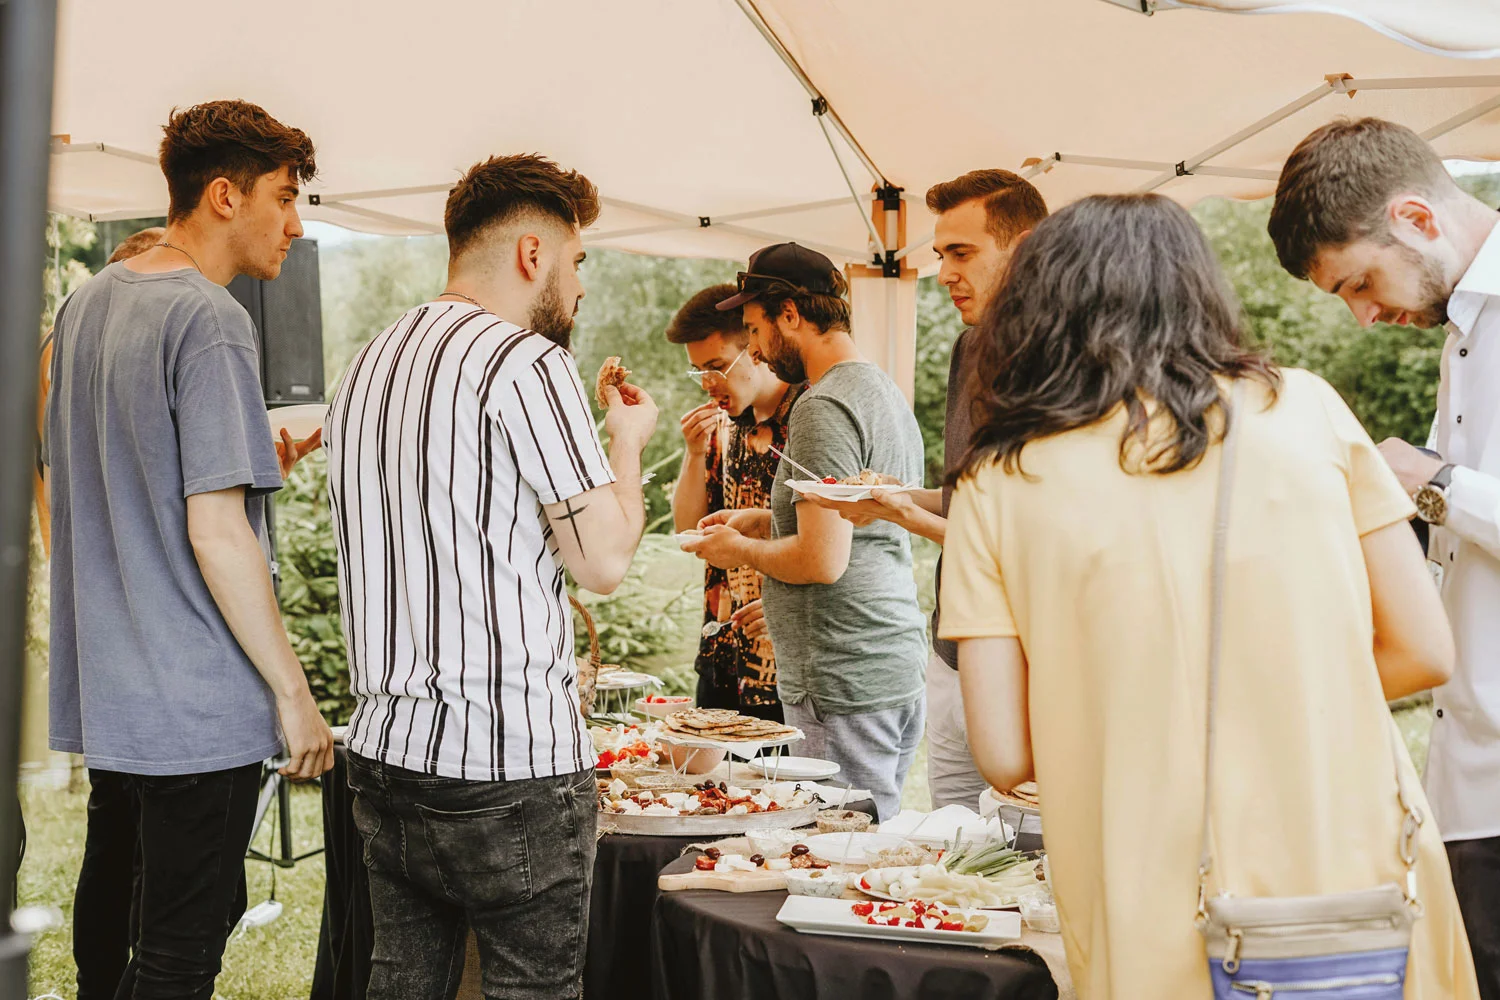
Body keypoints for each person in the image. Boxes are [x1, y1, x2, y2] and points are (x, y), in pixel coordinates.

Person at [940, 193, 1477, 999]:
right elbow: (1424, 649)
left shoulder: (999, 478)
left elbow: (1006, 751)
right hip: (1344, 872)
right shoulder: (1307, 409)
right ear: (1197, 290)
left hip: (1138, 880)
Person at [325, 153, 658, 999]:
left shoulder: (366, 365)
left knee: (403, 987)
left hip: (387, 752)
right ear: (531, 252)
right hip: (509, 760)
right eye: (577, 260)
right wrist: (626, 446)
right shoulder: (527, 363)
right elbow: (603, 561)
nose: (580, 286)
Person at [43, 100, 334, 1000]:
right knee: (179, 954)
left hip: (116, 694)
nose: (294, 224)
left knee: (110, 933)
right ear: (224, 196)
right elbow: (216, 530)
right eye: (283, 198)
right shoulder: (211, 318)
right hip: (193, 706)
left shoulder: (86, 303)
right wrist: (295, 697)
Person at [1268, 116, 1500, 1000]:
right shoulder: (1463, 332)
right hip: (1466, 777)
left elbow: (1449, 492)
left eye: (1359, 283)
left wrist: (1434, 480)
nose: (1365, 316)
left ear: (1416, 217)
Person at [804, 170, 1047, 809]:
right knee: (955, 841)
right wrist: (899, 497)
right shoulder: (968, 350)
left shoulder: (1069, 368)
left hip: (1029, 659)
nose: (944, 274)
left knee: (1022, 848)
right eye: (940, 255)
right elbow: (971, 504)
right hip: (950, 646)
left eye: (961, 253)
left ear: (1025, 248)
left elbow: (1024, 545)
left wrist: (905, 516)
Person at [683, 243, 926, 820]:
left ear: (789, 314)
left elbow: (822, 560)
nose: (756, 351)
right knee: (873, 836)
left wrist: (740, 549)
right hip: (887, 661)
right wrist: (766, 521)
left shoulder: (822, 406)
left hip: (840, 676)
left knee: (840, 848)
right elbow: (858, 521)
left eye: (755, 329)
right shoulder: (881, 389)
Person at [668, 284, 802, 721]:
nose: (708, 384)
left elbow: (839, 540)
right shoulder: (724, 426)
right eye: (698, 371)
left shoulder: (809, 417)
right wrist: (693, 454)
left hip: (785, 662)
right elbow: (688, 529)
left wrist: (789, 604)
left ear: (755, 349)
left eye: (716, 366)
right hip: (721, 654)